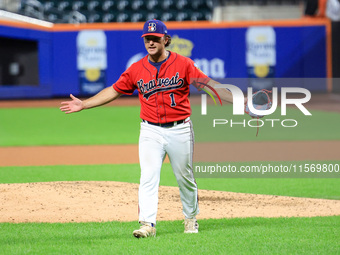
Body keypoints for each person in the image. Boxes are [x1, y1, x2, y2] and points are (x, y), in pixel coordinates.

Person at [60, 20, 233, 238]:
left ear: (165, 40)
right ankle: (147, 224)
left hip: (180, 129)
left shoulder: (184, 64)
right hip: (150, 130)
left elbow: (210, 86)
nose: (150, 42)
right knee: (148, 177)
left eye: (155, 38)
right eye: (147, 39)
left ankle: (190, 218)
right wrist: (84, 104)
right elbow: (114, 90)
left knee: (184, 177)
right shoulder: (136, 69)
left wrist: (240, 101)